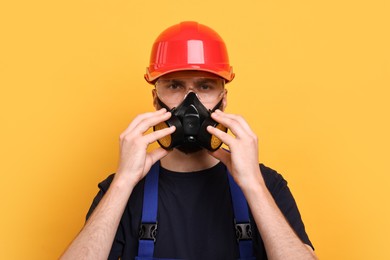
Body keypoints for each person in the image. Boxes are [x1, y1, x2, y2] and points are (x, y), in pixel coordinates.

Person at [61, 21, 317, 260]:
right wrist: (123, 182)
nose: (190, 103)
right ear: (155, 98)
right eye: (174, 86)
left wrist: (253, 186)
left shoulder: (266, 185)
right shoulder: (122, 190)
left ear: (224, 99)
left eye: (205, 86)